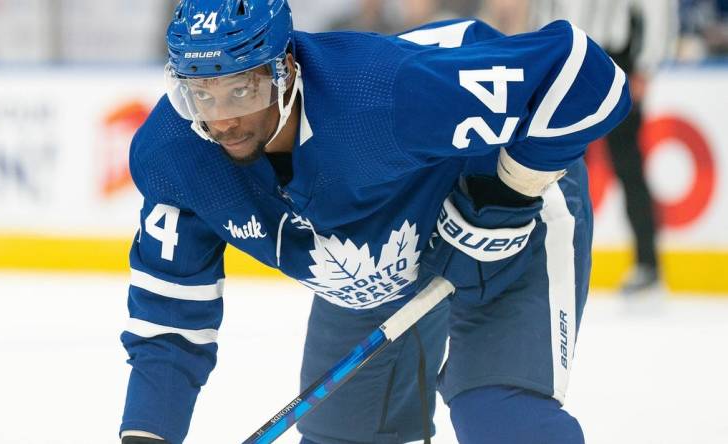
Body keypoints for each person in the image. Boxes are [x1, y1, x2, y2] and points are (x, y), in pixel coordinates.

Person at [119, 1, 630, 443]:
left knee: (500, 417)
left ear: (287, 70)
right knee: (343, 435)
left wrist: (508, 192)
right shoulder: (175, 154)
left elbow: (582, 73)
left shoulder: (384, 95)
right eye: (200, 96)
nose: (222, 120)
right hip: (366, 256)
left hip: (499, 224)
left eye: (241, 93)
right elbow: (169, 320)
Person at [529, 0, 679, 295]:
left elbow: (656, 10)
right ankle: (538, 260)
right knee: (549, 162)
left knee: (627, 164)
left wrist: (645, 66)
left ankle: (647, 262)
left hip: (616, 58)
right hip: (567, 57)